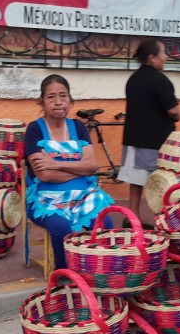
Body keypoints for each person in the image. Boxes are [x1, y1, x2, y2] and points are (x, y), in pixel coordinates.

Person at [24, 74, 114, 269]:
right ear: (42, 102)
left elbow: (92, 166)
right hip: (45, 199)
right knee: (61, 228)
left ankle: (100, 271)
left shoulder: (78, 127)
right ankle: (64, 276)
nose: (58, 102)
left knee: (105, 222)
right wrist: (78, 169)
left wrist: (54, 163)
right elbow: (43, 175)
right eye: (51, 97)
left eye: (63, 96)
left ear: (70, 100)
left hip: (83, 195)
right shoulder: (34, 130)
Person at [119, 38, 180, 223]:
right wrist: (177, 116)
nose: (166, 57)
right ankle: (160, 221)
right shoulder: (160, 81)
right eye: (163, 53)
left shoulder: (133, 79)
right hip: (155, 142)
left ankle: (133, 217)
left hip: (134, 138)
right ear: (152, 57)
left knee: (136, 181)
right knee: (159, 183)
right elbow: (173, 111)